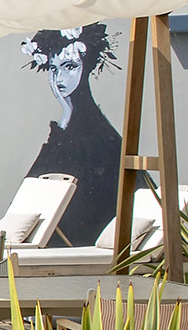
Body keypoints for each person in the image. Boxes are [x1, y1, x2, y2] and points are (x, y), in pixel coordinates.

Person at [20, 24, 120, 246]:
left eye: (69, 66)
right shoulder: (66, 127)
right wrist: (66, 113)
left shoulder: (101, 137)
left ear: (86, 69)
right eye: (54, 70)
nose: (60, 78)